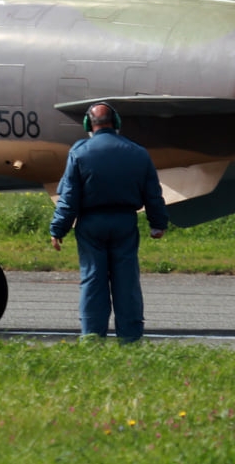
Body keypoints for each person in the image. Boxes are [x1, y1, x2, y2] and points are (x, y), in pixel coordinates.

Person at [49, 102, 169, 341]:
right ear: (116, 123)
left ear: (87, 124)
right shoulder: (137, 152)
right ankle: (131, 340)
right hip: (125, 222)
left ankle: (92, 338)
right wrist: (158, 224)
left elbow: (69, 198)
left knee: (93, 279)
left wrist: (58, 228)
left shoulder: (79, 152)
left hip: (91, 224)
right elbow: (153, 194)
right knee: (127, 282)